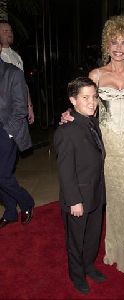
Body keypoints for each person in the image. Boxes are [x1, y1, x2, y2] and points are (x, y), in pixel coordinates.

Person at [61, 15, 124, 279]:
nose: (119, 47)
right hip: (103, 149)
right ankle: (115, 251)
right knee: (108, 202)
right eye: (114, 42)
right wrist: (68, 114)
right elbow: (86, 104)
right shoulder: (96, 75)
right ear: (107, 44)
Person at [54, 77, 106, 294]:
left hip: (95, 192)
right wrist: (74, 200)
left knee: (93, 236)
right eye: (85, 97)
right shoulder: (66, 131)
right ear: (73, 100)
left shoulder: (92, 122)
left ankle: (88, 265)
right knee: (76, 241)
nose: (92, 102)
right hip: (77, 198)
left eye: (94, 96)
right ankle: (76, 275)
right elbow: (65, 172)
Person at [0, 41, 34, 228]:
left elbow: (20, 108)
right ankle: (11, 211)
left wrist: (9, 133)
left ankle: (26, 201)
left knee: (3, 176)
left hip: (6, 130)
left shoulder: (13, 73)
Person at [0, 20, 34, 124]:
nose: (9, 33)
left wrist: (29, 106)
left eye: (10, 31)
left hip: (19, 111)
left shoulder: (16, 56)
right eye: (5, 31)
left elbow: (23, 84)